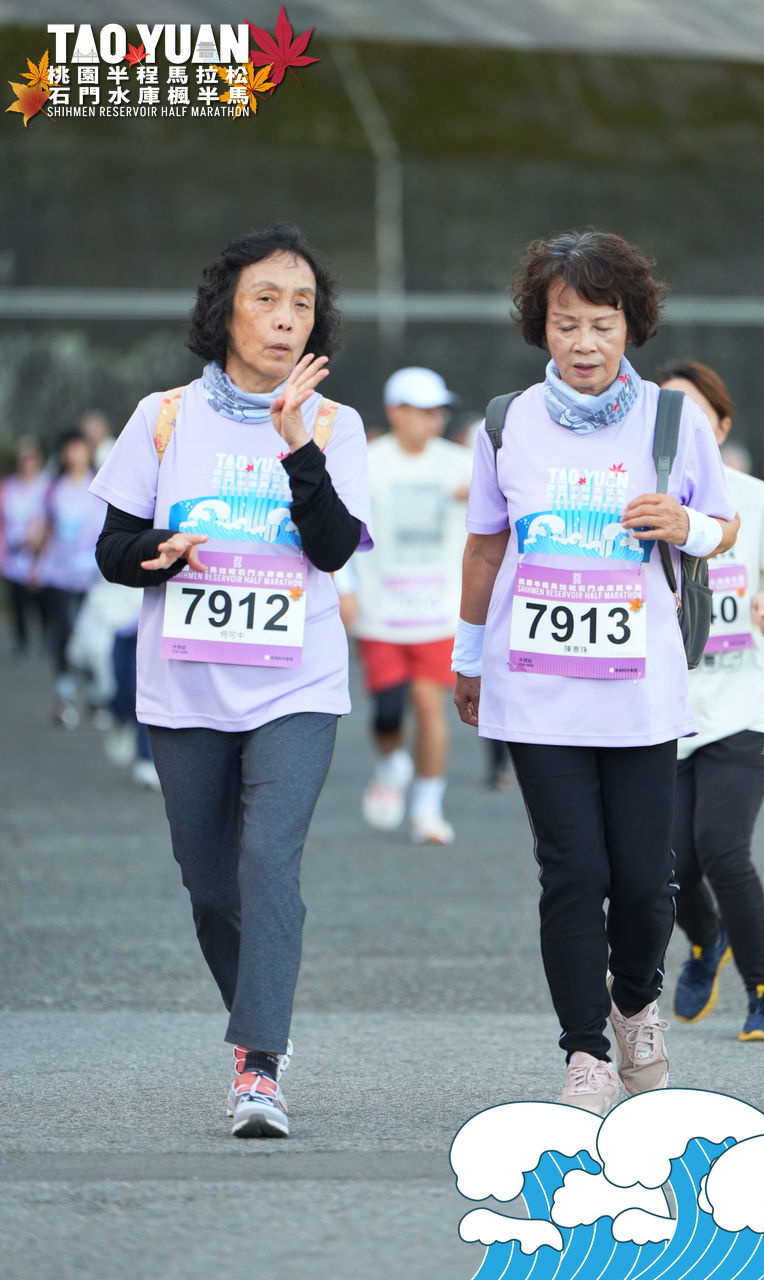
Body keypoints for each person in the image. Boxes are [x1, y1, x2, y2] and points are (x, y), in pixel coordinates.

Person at [90, 224, 373, 1138]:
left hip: (297, 683)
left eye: (302, 304)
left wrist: (296, 446)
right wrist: (159, 552)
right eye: (266, 299)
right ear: (225, 312)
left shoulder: (333, 423)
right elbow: (112, 549)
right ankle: (263, 1020)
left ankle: (258, 1063)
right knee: (211, 886)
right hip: (186, 686)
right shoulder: (163, 416)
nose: (286, 318)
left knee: (268, 861)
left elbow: (333, 549)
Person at [452, 230, 739, 1115]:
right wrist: (467, 658)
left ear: (631, 326)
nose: (583, 343)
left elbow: (722, 525)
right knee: (572, 874)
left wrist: (685, 526)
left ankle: (635, 1003)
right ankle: (583, 1051)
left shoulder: (671, 419)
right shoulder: (505, 423)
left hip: (639, 690)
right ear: (540, 327)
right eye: (565, 323)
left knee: (646, 881)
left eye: (601, 324)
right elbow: (485, 547)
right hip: (535, 686)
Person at [657, 359, 764, 1042]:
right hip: (663, 715)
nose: (680, 428)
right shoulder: (638, 504)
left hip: (746, 708)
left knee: (722, 850)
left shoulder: (754, 499)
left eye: (694, 414)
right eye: (665, 415)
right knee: (665, 869)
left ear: (720, 427)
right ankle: (706, 940)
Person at [349, 366, 471, 845]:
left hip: (439, 610)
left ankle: (427, 809)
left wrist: (485, 496)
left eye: (438, 411)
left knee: (429, 705)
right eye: (422, 411)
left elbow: (509, 505)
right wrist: (343, 588)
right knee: (386, 714)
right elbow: (340, 528)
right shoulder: (365, 461)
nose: (433, 420)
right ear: (395, 412)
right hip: (379, 609)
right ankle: (389, 762)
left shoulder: (462, 464)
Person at [33, 429, 104, 727]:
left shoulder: (101, 485)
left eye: (79, 447)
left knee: (90, 638)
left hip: (93, 575)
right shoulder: (54, 489)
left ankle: (96, 697)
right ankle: (64, 696)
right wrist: (37, 566)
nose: (74, 454)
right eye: (69, 448)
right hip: (58, 574)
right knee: (61, 633)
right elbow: (46, 529)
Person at [0, 436, 49, 659]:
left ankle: (48, 641)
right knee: (18, 603)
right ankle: (22, 643)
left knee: (42, 604)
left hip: (40, 555)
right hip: (14, 555)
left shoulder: (47, 485)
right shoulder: (9, 487)